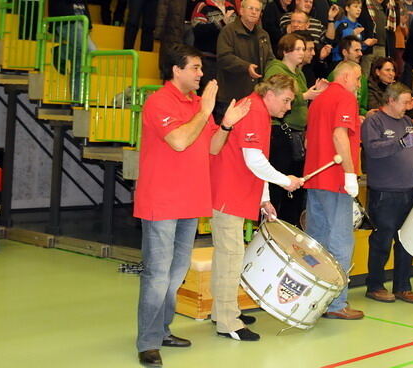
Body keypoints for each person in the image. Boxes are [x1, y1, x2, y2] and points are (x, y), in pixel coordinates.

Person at [134, 46, 249, 366]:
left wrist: (224, 123)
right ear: (176, 70)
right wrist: (205, 111)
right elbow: (180, 141)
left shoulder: (198, 104)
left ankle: (162, 329)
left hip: (189, 202)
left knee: (175, 273)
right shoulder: (159, 102)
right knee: (157, 275)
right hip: (161, 202)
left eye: (201, 68)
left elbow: (212, 146)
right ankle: (147, 341)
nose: (201, 74)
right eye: (195, 68)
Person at [209, 74, 303, 342]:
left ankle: (222, 311)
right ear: (270, 94)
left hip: (237, 192)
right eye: (285, 101)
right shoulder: (253, 111)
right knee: (231, 257)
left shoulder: (260, 112)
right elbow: (254, 160)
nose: (287, 107)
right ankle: (228, 321)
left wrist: (263, 198)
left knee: (226, 256)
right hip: (230, 193)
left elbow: (253, 160)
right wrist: (286, 181)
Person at [303, 61, 365, 320]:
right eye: (358, 79)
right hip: (335, 180)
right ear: (347, 75)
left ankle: (315, 299)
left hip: (315, 178)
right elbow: (340, 135)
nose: (359, 85)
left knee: (316, 242)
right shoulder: (344, 97)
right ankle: (336, 303)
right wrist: (350, 174)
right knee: (340, 242)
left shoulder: (318, 100)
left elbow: (309, 140)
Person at [361, 83, 413, 303]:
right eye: (404, 102)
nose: (407, 107)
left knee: (406, 241)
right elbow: (373, 149)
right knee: (382, 240)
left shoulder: (409, 122)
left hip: (409, 191)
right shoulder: (375, 121)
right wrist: (399, 143)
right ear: (390, 100)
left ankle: (403, 286)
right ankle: (375, 285)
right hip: (384, 192)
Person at [263, 34, 327, 225]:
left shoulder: (299, 73)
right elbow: (277, 95)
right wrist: (307, 95)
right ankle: (272, 222)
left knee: (295, 182)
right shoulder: (276, 69)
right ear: (285, 51)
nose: (302, 53)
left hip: (297, 132)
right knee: (279, 180)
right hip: (281, 131)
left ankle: (289, 224)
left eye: (303, 49)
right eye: (298, 49)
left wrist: (312, 92)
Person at [215, 0, 273, 117]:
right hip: (231, 97)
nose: (254, 12)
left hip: (256, 95)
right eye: (250, 8)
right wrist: (246, 66)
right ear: (241, 11)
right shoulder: (228, 31)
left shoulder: (264, 35)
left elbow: (270, 60)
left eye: (257, 10)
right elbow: (224, 57)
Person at [155, 0, 202, 76]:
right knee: (173, 59)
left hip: (191, 28)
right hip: (173, 28)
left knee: (189, 59)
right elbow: (162, 9)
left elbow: (199, 10)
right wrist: (158, 31)